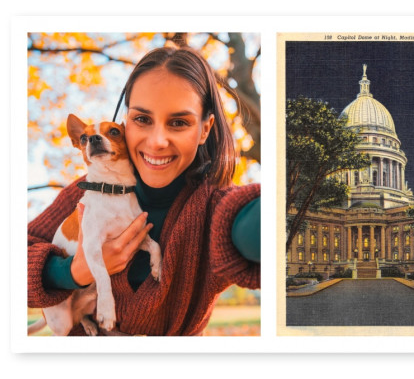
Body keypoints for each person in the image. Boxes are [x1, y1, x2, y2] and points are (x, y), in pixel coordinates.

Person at [27, 46, 260, 336]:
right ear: (125, 123)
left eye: (178, 122)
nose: (156, 142)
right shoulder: (83, 192)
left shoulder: (215, 207)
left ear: (204, 129)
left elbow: (255, 228)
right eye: (142, 119)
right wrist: (72, 272)